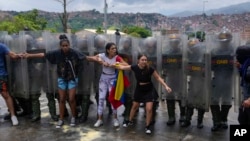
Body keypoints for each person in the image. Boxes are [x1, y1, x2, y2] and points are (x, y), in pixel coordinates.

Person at [24, 34, 96, 128]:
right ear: (60, 46)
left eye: (67, 46)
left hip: (72, 78)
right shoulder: (57, 53)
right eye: (63, 46)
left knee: (71, 99)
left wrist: (99, 58)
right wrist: (29, 55)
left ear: (69, 45)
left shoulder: (74, 52)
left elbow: (86, 58)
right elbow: (43, 55)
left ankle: (73, 117)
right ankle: (61, 119)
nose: (65, 47)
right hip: (62, 78)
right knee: (61, 99)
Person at [115, 54, 172, 134]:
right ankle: (130, 120)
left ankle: (147, 126)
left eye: (145, 60)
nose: (144, 61)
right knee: (134, 106)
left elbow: (158, 77)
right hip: (139, 89)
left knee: (149, 109)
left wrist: (166, 86)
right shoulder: (134, 67)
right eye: (142, 60)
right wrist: (110, 64)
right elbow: (122, 67)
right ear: (138, 60)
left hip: (149, 89)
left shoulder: (150, 68)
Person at [91, 42, 128, 128]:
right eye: (112, 49)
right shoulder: (103, 55)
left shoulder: (117, 57)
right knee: (101, 98)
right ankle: (99, 119)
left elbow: (126, 65)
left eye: (115, 48)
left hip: (113, 79)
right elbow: (92, 58)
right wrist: (101, 61)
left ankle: (115, 119)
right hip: (103, 78)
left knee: (112, 100)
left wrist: (117, 64)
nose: (114, 50)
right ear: (108, 50)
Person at [210, 27, 235, 131]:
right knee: (214, 101)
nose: (224, 43)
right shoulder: (214, 51)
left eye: (226, 41)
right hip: (216, 79)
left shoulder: (233, 51)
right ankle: (216, 121)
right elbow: (208, 66)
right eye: (222, 42)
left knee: (227, 102)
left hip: (228, 80)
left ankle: (223, 120)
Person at [180, 38, 207, 128]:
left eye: (194, 47)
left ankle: (200, 121)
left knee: (201, 102)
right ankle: (187, 120)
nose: (193, 49)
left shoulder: (204, 54)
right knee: (190, 102)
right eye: (191, 47)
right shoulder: (188, 55)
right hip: (193, 80)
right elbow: (185, 69)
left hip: (202, 80)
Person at [162, 34, 186, 126]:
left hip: (180, 76)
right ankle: (171, 116)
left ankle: (182, 115)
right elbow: (163, 65)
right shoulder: (166, 52)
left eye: (176, 42)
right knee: (170, 97)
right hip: (170, 76)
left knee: (181, 97)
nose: (174, 44)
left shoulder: (184, 52)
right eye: (172, 42)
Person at [0, 37, 20, 126]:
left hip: (1, 74)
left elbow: (11, 54)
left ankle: (13, 115)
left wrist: (18, 55)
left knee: (5, 94)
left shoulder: (1, 46)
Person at [235, 45, 250, 125]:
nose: (237, 57)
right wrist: (239, 67)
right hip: (246, 100)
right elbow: (246, 77)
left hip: (248, 101)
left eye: (238, 55)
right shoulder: (246, 65)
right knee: (243, 120)